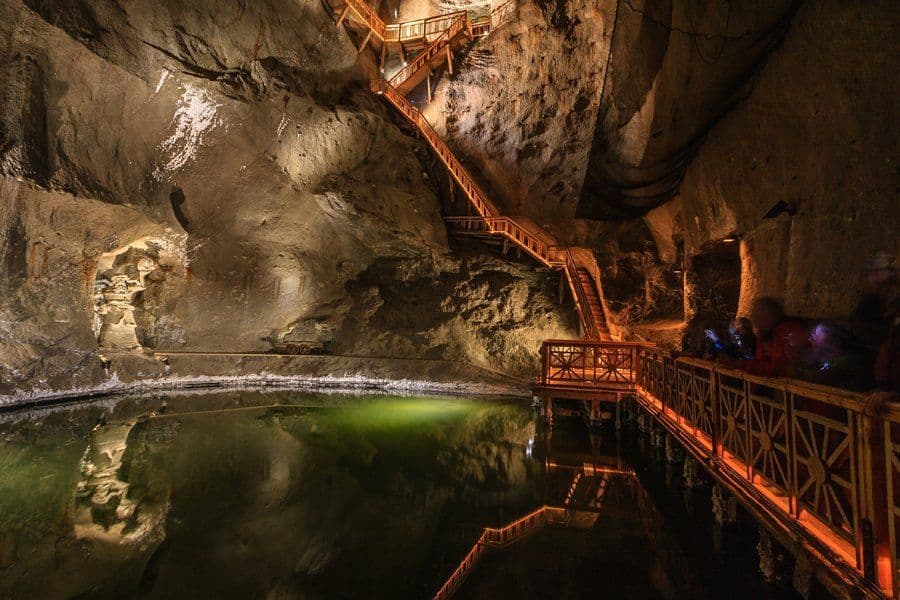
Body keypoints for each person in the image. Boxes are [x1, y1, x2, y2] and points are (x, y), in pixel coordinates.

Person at [735, 297, 810, 377]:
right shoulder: (765, 334)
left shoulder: (786, 332)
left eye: (756, 312)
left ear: (767, 314)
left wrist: (739, 364)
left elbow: (777, 367)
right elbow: (760, 361)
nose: (752, 316)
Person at [799, 321, 873, 390]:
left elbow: (819, 378)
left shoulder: (849, 362)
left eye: (815, 333)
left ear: (836, 342)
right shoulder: (825, 359)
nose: (811, 338)